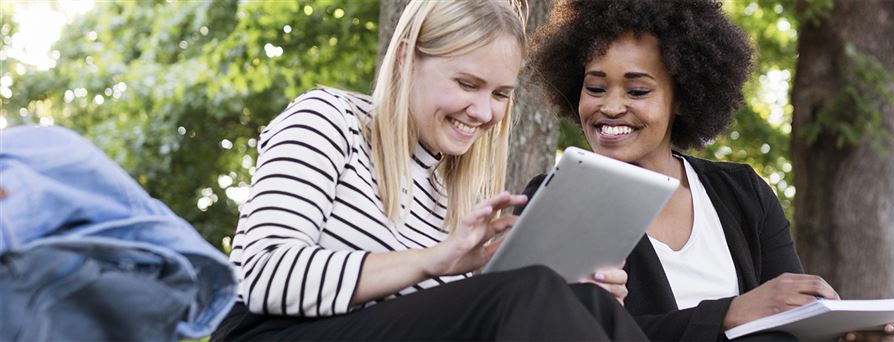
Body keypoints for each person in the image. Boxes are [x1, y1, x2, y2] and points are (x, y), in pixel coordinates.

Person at [212, 1, 645, 340]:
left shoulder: (456, 194)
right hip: (272, 332)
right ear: (405, 58)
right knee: (530, 291)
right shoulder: (328, 118)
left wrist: (569, 299)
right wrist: (433, 262)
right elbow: (264, 276)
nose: (482, 111)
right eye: (467, 84)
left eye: (499, 94)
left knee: (593, 304)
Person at [524, 1, 894, 341]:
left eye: (637, 91)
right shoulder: (555, 200)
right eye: (595, 88)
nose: (609, 107)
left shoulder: (743, 194)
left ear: (682, 97)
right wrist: (728, 313)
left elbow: (790, 324)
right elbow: (555, 332)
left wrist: (847, 338)